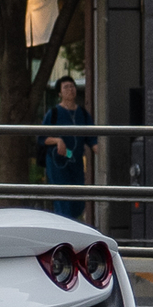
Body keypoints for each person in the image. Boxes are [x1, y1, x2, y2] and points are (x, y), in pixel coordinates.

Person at [40, 76, 95, 223]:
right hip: (57, 162)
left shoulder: (83, 114)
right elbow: (42, 138)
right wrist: (58, 140)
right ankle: (64, 231)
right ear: (59, 93)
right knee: (63, 200)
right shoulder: (54, 113)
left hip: (75, 162)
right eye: (66, 87)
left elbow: (92, 139)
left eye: (72, 86)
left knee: (78, 201)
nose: (70, 90)